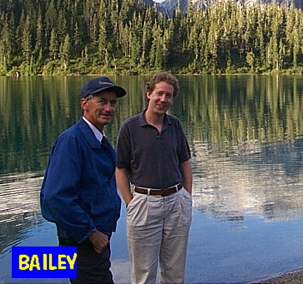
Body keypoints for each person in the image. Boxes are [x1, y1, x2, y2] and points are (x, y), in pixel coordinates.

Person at [40, 77, 127, 283]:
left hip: (95, 238)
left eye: (113, 103)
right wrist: (90, 232)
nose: (109, 108)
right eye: (102, 101)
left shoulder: (97, 140)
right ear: (84, 104)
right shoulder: (72, 140)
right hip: (83, 242)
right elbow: (55, 197)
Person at [116, 72, 193, 284]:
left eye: (169, 95)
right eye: (159, 93)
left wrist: (187, 196)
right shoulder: (130, 128)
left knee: (174, 272)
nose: (163, 99)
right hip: (144, 203)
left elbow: (185, 162)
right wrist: (130, 203)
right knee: (143, 273)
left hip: (176, 202)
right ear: (148, 94)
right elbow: (120, 169)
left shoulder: (174, 125)